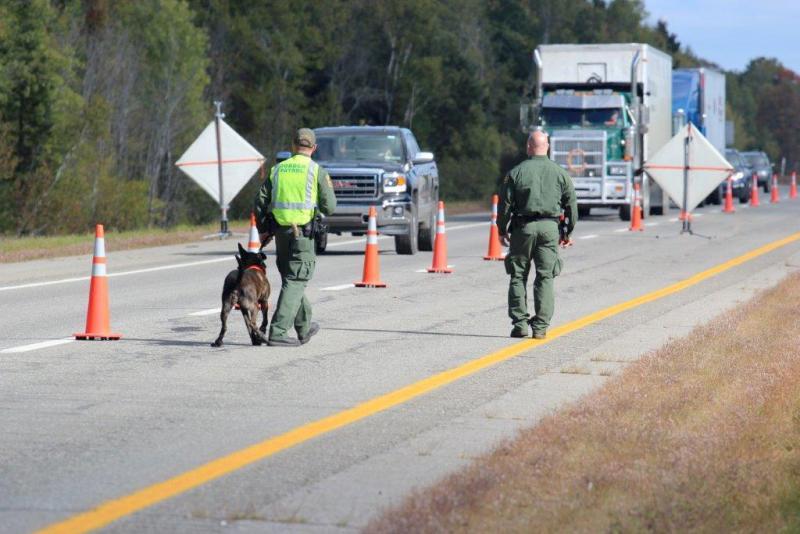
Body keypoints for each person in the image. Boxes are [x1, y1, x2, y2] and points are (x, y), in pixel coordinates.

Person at [254, 128, 337, 347]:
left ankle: (304, 326)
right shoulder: (315, 170)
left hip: (281, 234)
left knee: (292, 280)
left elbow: (260, 201)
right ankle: (278, 331)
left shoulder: (277, 170)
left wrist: (263, 228)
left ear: (293, 145)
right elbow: (330, 207)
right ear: (314, 148)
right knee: (296, 280)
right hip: (302, 235)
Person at [497, 130, 577, 339]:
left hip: (522, 229)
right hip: (550, 229)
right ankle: (540, 327)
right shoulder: (560, 173)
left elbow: (504, 205)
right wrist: (566, 232)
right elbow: (571, 206)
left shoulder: (516, 173)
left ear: (528, 147)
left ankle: (520, 324)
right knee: (545, 276)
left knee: (518, 275)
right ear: (547, 147)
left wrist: (501, 229)